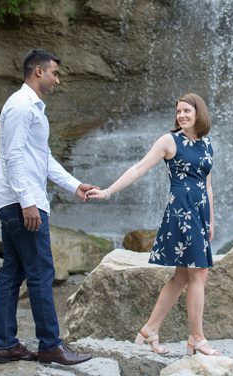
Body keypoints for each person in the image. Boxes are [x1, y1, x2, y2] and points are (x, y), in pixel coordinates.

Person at [86, 93, 221, 357]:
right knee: (198, 274)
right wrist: (107, 191)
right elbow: (138, 168)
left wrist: (212, 219)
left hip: (200, 213)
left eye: (186, 111)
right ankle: (197, 338)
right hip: (182, 211)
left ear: (199, 113)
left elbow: (208, 185)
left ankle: (150, 330)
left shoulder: (207, 144)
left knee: (183, 275)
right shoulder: (169, 141)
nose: (181, 115)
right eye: (179, 111)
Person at [0, 48, 96, 366]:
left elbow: (43, 159)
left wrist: (75, 185)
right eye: (54, 73)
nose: (57, 80)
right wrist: (28, 202)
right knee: (41, 271)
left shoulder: (31, 107)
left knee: (13, 271)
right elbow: (13, 156)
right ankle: (50, 345)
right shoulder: (22, 107)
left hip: (14, 200)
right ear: (38, 72)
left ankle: (6, 345)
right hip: (22, 201)